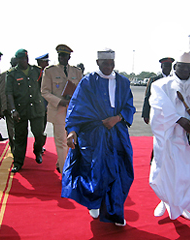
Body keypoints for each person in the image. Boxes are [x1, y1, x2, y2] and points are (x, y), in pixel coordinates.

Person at [61, 49, 136, 226]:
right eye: (105, 64)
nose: (109, 67)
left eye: (111, 64)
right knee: (95, 171)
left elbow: (129, 107)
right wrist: (72, 131)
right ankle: (94, 202)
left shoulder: (123, 82)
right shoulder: (88, 82)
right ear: (97, 63)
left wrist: (117, 119)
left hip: (117, 134)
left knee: (119, 172)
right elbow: (76, 107)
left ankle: (115, 212)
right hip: (93, 135)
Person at [149, 52, 190, 222]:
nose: (185, 70)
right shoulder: (161, 85)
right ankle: (167, 201)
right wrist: (178, 120)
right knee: (169, 174)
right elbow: (159, 107)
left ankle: (185, 206)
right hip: (171, 139)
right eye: (182, 66)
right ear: (175, 67)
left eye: (188, 67)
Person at [41, 44, 82, 173]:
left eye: (64, 55)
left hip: (73, 111)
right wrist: (60, 101)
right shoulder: (50, 71)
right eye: (60, 55)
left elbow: (81, 90)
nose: (62, 58)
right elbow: (45, 91)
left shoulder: (76, 72)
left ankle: (61, 162)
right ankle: (66, 172)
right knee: (61, 141)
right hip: (58, 110)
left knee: (71, 139)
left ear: (69, 57)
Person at [6, 49, 46, 173]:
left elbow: (43, 88)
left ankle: (37, 150)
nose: (24, 61)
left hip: (36, 108)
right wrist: (13, 109)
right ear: (17, 60)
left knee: (39, 134)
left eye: (26, 58)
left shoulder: (36, 71)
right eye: (21, 59)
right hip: (20, 109)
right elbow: (9, 93)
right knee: (20, 137)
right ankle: (18, 162)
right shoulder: (12, 74)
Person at [141, 57, 174, 124]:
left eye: (169, 66)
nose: (168, 68)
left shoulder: (174, 80)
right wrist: (146, 114)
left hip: (172, 113)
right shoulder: (154, 80)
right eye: (166, 66)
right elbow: (148, 96)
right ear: (161, 66)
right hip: (158, 112)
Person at [0, 57, 18, 150]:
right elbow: (2, 92)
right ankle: (14, 147)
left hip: (21, 106)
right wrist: (3, 108)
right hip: (9, 107)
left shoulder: (21, 74)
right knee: (11, 129)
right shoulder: (4, 75)